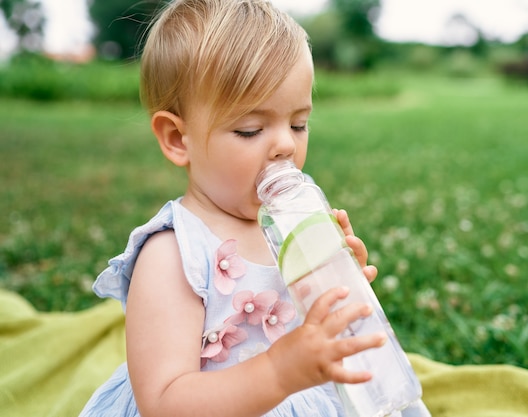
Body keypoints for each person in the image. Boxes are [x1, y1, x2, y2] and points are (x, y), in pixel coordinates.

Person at [79, 0, 383, 416]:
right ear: (177, 138)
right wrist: (277, 372)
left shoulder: (292, 222)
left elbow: (316, 331)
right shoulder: (173, 254)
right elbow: (164, 403)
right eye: (250, 129)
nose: (285, 145)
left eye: (298, 123)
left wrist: (338, 284)